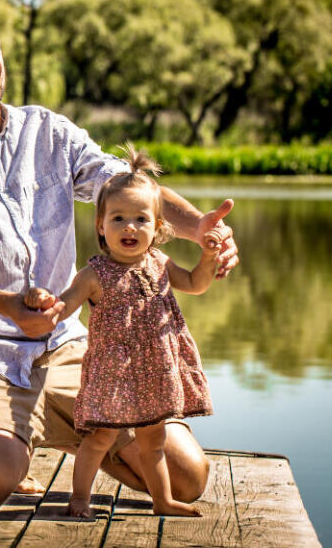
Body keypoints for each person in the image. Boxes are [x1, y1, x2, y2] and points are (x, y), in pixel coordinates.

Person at [0, 3, 239, 511]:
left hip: (69, 348)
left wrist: (198, 227)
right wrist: (8, 305)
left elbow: (126, 187)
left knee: (186, 477)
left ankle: (62, 436)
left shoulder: (47, 131)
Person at [25, 145, 223, 518]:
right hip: (111, 375)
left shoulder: (160, 264)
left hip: (154, 373)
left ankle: (162, 500)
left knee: (155, 441)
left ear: (158, 228)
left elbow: (196, 284)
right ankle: (79, 498)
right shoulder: (95, 274)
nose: (129, 227)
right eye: (117, 219)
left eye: (140, 219)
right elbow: (62, 306)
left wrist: (208, 258)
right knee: (100, 438)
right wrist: (43, 302)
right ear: (100, 225)